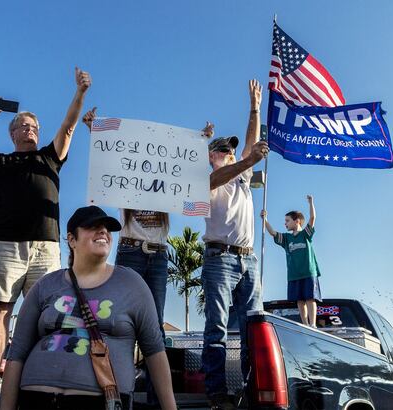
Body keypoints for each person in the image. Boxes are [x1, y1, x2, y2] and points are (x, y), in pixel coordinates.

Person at [0, 67, 92, 407]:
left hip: (45, 247)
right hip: (4, 244)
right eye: (23, 125)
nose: (29, 129)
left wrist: (79, 93)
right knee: (0, 311)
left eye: (34, 126)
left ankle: (41, 373)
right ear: (13, 132)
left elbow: (70, 126)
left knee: (51, 312)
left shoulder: (50, 157)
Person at [81, 108, 214, 405]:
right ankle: (119, 395)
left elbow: (188, 174)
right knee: (121, 322)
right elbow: (111, 160)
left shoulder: (167, 189)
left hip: (158, 256)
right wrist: (93, 130)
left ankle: (157, 400)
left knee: (154, 328)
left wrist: (200, 143)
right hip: (130, 251)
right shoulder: (127, 184)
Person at [0, 205, 176, 410]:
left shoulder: (131, 284)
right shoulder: (45, 285)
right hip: (36, 398)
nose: (103, 232)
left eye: (106, 228)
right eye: (93, 226)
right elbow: (17, 354)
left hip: (100, 401)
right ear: (72, 239)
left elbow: (154, 350)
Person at [201, 79, 269, 410]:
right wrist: (246, 160)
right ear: (212, 155)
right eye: (224, 149)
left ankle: (251, 387)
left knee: (251, 327)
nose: (230, 152)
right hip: (219, 259)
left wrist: (254, 107)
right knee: (216, 327)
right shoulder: (205, 180)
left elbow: (252, 145)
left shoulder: (242, 176)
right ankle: (216, 394)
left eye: (232, 148)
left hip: (249, 260)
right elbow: (236, 166)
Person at [261, 195, 321, 327]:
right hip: (294, 274)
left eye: (287, 221)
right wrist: (264, 220)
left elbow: (312, 218)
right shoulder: (287, 238)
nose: (285, 223)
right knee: (300, 300)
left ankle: (313, 324)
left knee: (310, 298)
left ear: (297, 221)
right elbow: (273, 233)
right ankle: (305, 324)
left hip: (308, 272)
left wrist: (311, 202)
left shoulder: (305, 234)